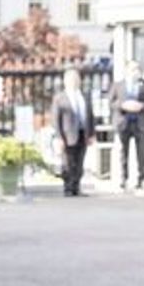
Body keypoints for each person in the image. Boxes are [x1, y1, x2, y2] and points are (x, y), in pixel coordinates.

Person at [107, 60, 144, 190]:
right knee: (123, 152)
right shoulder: (118, 85)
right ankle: (124, 178)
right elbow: (111, 102)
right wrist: (123, 105)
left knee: (141, 152)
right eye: (133, 69)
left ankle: (142, 178)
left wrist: (141, 106)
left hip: (140, 123)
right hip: (124, 122)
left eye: (137, 69)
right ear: (127, 71)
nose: (135, 72)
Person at [52, 67, 96, 197]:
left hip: (82, 133)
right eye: (71, 79)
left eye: (76, 79)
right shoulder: (60, 98)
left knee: (79, 162)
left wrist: (92, 134)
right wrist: (59, 137)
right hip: (67, 134)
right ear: (65, 81)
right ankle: (68, 188)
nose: (74, 82)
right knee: (68, 162)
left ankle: (76, 187)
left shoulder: (84, 96)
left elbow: (90, 116)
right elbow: (55, 119)